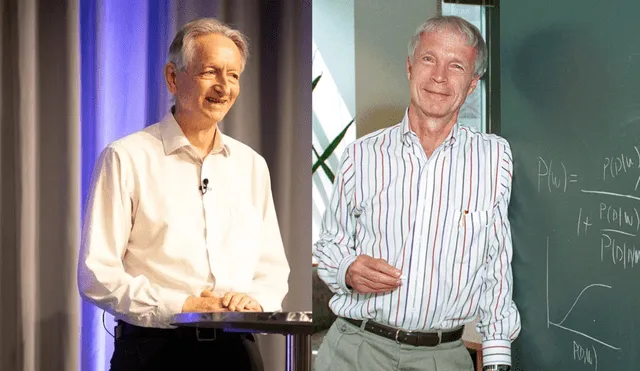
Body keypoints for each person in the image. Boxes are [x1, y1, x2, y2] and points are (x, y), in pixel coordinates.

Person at [77, 17, 290, 371]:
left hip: (237, 351)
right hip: (155, 350)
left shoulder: (251, 165)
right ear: (173, 78)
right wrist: (185, 305)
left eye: (234, 75)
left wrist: (253, 300)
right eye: (211, 72)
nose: (224, 86)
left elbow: (271, 268)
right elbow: (97, 274)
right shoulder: (126, 157)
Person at [313, 15, 520, 371]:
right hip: (354, 351)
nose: (439, 76)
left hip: (443, 358)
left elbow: (496, 265)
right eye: (429, 59)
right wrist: (347, 269)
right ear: (410, 67)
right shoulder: (361, 155)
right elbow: (329, 245)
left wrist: (497, 360)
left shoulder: (494, 158)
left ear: (472, 84)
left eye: (456, 65)